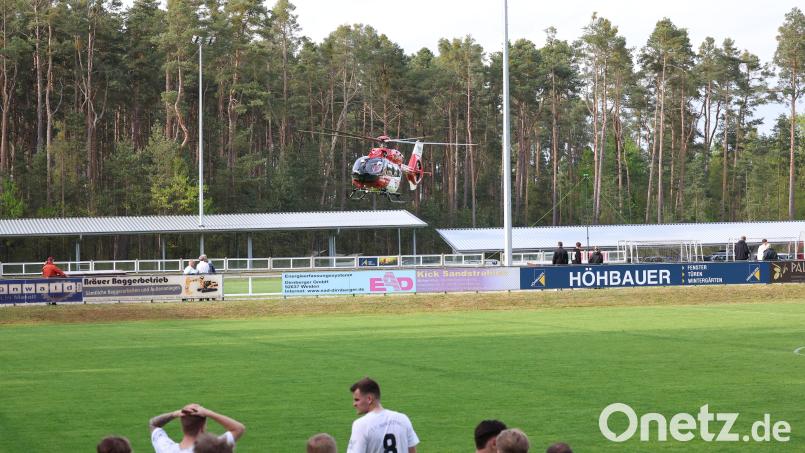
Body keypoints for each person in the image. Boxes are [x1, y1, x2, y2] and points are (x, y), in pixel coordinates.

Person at [347, 377, 419, 453]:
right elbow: (412, 451)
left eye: (357, 400)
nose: (354, 404)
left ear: (369, 399)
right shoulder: (403, 419)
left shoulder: (361, 425)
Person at [149, 403, 245, 453]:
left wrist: (176, 413)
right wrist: (208, 412)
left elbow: (154, 424)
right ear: (202, 427)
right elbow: (238, 429)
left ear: (182, 427)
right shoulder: (213, 449)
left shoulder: (166, 449)